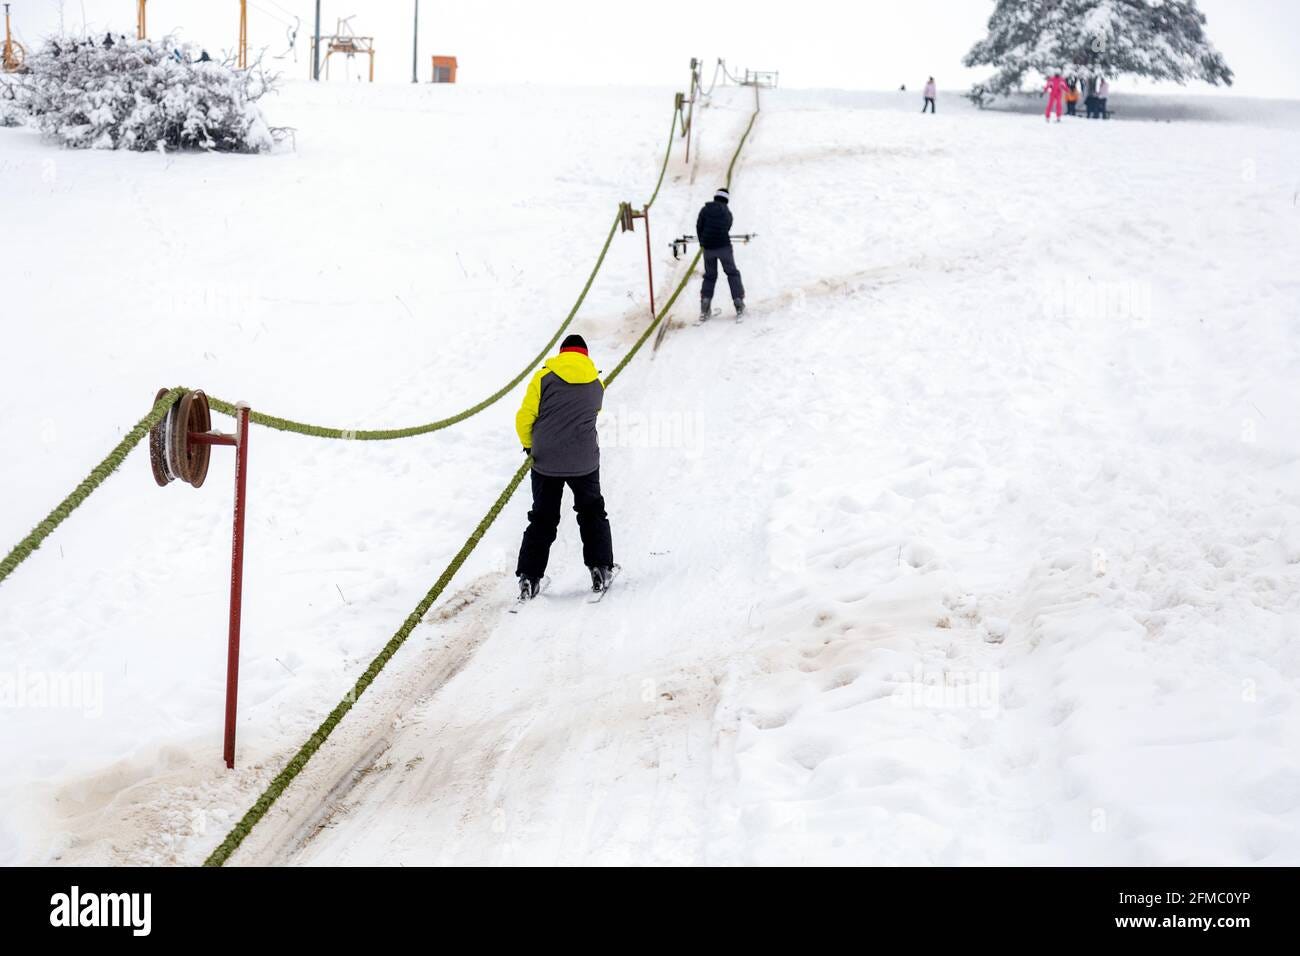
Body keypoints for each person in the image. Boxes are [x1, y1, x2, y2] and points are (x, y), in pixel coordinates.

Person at [515, 333, 615, 599]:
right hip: (584, 461)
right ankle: (600, 567)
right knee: (592, 511)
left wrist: (529, 446)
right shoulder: (596, 382)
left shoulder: (543, 378)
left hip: (545, 460)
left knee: (542, 518)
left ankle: (529, 576)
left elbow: (524, 417)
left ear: (562, 354)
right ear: (585, 355)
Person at [697, 187, 745, 319]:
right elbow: (728, 225)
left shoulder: (705, 210)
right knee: (732, 273)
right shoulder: (726, 212)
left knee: (710, 276)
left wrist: (703, 242)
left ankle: (705, 306)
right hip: (723, 246)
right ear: (726, 199)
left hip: (708, 249)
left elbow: (699, 226)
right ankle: (738, 302)